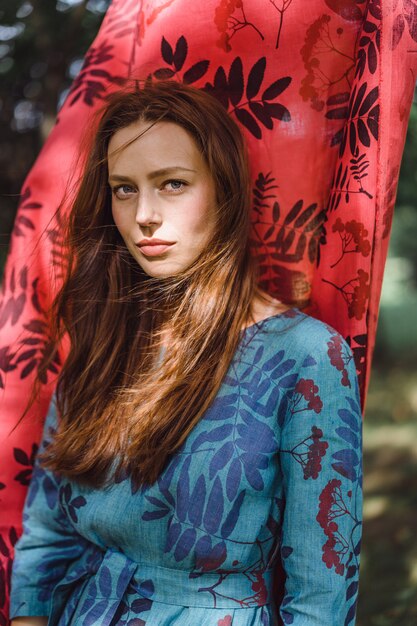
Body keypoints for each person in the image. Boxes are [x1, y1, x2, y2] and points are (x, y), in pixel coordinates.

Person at [9, 80, 363, 626]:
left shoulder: (307, 357)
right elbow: (47, 536)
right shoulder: (105, 340)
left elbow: (321, 598)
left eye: (172, 184)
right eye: (124, 189)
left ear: (225, 190)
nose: (144, 214)